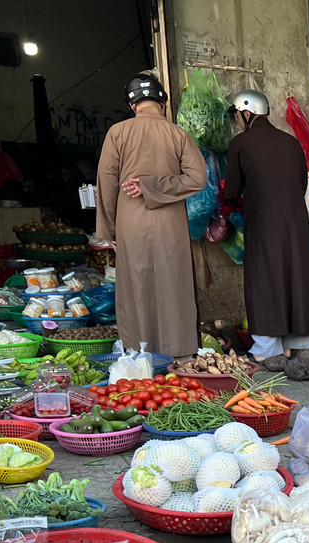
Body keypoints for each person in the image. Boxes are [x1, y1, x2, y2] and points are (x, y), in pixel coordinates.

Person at [95, 73, 206, 356]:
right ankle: (179, 353)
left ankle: (139, 353)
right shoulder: (178, 134)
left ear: (133, 105)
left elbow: (106, 184)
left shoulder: (117, 133)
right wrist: (157, 186)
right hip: (170, 222)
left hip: (130, 221)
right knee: (173, 283)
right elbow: (197, 178)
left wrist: (108, 231)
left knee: (136, 288)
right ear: (163, 103)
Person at [222, 89, 309, 361]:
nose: (238, 122)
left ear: (247, 113)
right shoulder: (291, 143)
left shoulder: (240, 144)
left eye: (238, 116)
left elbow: (231, 192)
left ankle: (268, 349)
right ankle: (300, 344)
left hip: (264, 221)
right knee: (297, 276)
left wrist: (237, 200)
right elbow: (302, 183)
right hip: (296, 220)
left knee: (265, 278)